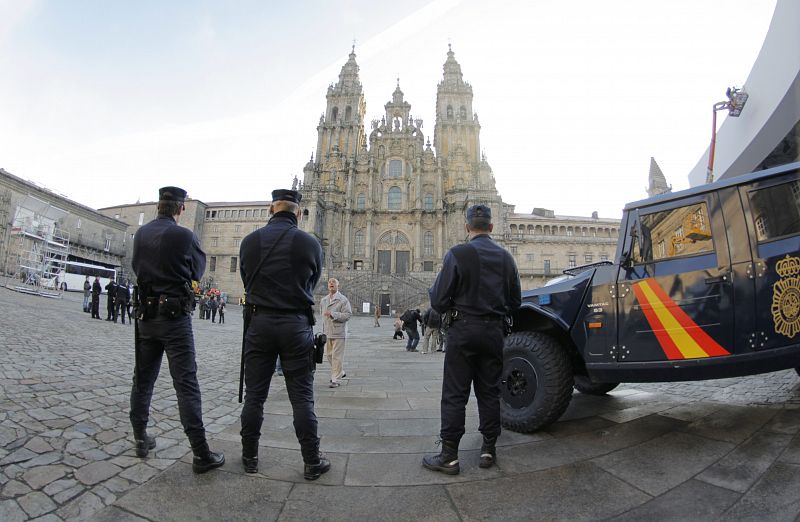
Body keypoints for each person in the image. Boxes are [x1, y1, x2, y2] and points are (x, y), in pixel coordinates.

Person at [129, 186, 224, 474]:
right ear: (181, 209)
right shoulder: (184, 236)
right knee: (186, 383)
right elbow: (196, 271)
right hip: (174, 318)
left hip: (146, 316)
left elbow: (136, 267)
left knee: (143, 379)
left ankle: (140, 438)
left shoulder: (141, 234)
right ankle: (200, 452)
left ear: (159, 206)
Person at [423, 204, 521, 475]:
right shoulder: (506, 257)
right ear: (491, 227)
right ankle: (489, 448)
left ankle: (450, 455)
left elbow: (438, 300)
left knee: (455, 394)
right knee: (490, 392)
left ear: (467, 227)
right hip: (493, 333)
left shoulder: (457, 253)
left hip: (463, 331)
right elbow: (516, 302)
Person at [238, 188, 329, 480]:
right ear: (299, 213)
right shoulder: (310, 243)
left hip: (259, 323)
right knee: (302, 398)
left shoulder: (250, 242)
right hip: (295, 325)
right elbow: (312, 282)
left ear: (270, 209)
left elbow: (246, 280)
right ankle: (312, 461)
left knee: (254, 396)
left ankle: (249, 457)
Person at [320, 278, 352, 388]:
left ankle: (335, 379)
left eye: (334, 282)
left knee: (336, 357)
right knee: (328, 355)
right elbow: (323, 316)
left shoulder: (343, 300)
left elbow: (347, 315)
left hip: (339, 332)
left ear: (338, 286)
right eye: (329, 282)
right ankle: (340, 372)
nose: (331, 284)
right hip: (327, 332)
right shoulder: (323, 300)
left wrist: (333, 314)